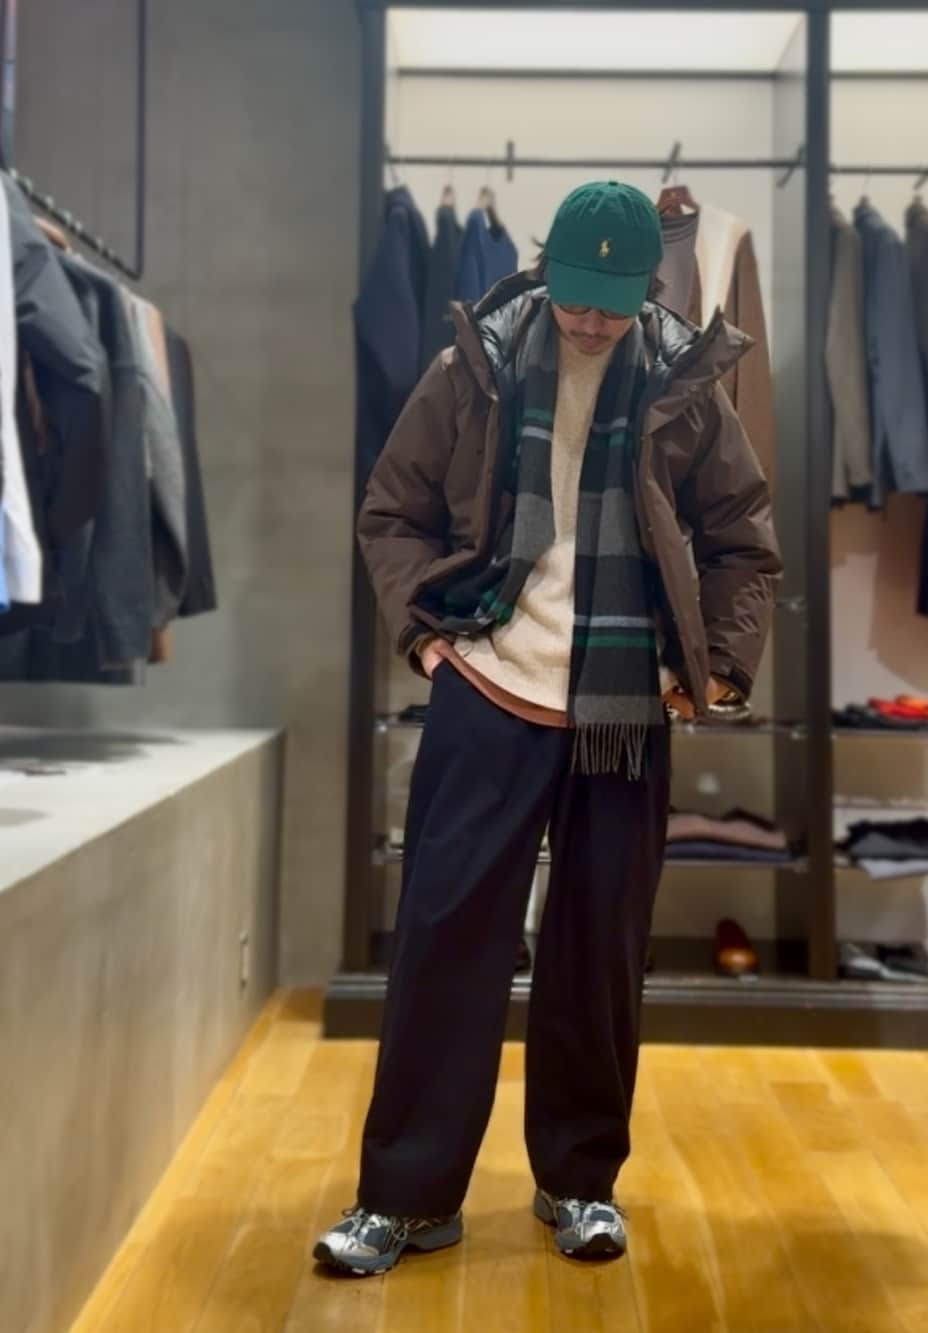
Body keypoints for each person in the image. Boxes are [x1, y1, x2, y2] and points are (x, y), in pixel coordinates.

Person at [315, 181, 781, 1276]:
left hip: (623, 702)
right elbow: (391, 510)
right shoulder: (472, 364)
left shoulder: (682, 378)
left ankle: (579, 1180)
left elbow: (742, 538)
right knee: (444, 942)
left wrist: (715, 667)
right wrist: (428, 639)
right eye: (576, 298)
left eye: (612, 303)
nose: (591, 321)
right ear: (547, 272)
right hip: (489, 681)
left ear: (646, 287)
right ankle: (405, 1197)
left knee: (600, 950)